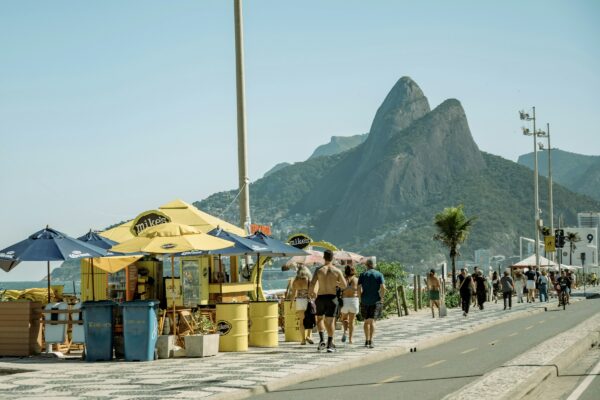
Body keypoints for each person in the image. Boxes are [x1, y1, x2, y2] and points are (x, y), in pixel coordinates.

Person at [309, 249, 346, 353]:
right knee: (330, 321)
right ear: (332, 258)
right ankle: (330, 344)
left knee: (320, 319)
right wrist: (336, 283)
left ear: (323, 257)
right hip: (332, 297)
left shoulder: (319, 270)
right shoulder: (337, 271)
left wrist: (311, 294)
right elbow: (344, 285)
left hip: (320, 297)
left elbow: (312, 284)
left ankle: (322, 340)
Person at [358, 258, 385, 348]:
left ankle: (366, 341)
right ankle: (371, 341)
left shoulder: (362, 275)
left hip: (365, 300)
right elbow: (383, 288)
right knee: (372, 321)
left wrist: (360, 297)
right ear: (374, 265)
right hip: (375, 300)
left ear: (366, 265)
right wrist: (382, 297)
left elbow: (358, 288)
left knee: (366, 321)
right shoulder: (379, 275)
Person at [291, 265, 314, 345]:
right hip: (307, 301)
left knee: (301, 321)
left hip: (299, 301)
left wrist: (291, 303)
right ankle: (308, 336)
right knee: (310, 319)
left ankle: (303, 340)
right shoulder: (309, 280)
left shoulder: (295, 281)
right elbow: (312, 293)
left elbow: (293, 294)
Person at [340, 263, 359, 344]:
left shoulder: (343, 279)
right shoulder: (357, 280)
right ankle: (351, 339)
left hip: (345, 301)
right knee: (352, 321)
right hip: (354, 300)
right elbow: (360, 291)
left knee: (344, 319)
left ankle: (345, 331)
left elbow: (339, 289)